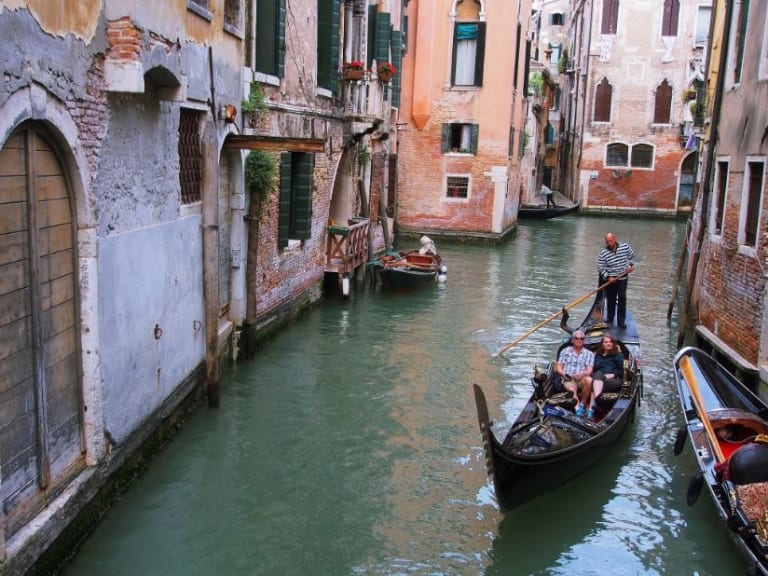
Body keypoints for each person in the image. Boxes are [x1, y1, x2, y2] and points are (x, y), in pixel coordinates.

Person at [597, 232, 635, 329]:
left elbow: (632, 257)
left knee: (622, 298)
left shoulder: (625, 247)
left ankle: (621, 322)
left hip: (622, 278)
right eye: (607, 241)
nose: (609, 243)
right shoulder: (603, 253)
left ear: (615, 239)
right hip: (610, 280)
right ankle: (610, 318)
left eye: (611, 241)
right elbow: (600, 268)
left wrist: (630, 266)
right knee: (611, 299)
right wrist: (608, 277)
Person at [555, 329, 594, 417]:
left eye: (581, 339)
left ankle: (582, 405)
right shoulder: (565, 351)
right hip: (568, 378)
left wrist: (583, 374)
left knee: (589, 380)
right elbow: (559, 367)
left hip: (582, 378)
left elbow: (589, 370)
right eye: (576, 338)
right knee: (572, 388)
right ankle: (577, 410)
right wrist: (564, 374)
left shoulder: (589, 354)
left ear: (584, 340)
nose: (579, 340)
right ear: (572, 340)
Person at [590, 334, 625, 419]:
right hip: (599, 379)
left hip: (614, 380)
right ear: (602, 344)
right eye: (606, 342)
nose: (609, 343)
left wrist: (612, 375)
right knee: (597, 375)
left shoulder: (618, 355)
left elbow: (622, 371)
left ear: (613, 344)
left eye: (610, 342)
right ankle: (597, 401)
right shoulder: (597, 355)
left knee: (595, 380)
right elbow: (593, 369)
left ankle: (594, 404)